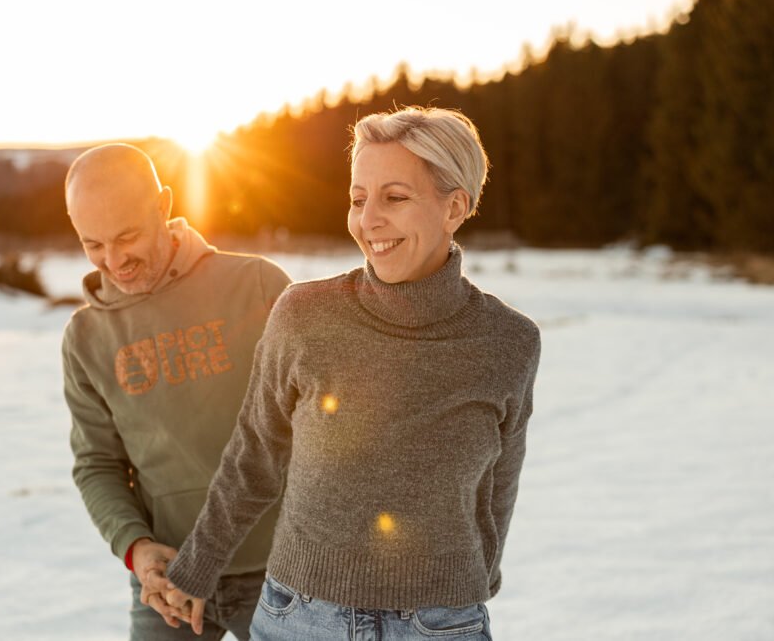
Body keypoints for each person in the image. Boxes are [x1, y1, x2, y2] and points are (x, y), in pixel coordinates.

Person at [161, 108, 541, 640]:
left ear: (455, 206)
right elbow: (255, 454)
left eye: (395, 197)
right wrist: (196, 569)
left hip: (440, 623)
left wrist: (472, 582)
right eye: (358, 199)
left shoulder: (508, 342)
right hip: (300, 618)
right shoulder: (303, 314)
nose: (369, 220)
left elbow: (499, 482)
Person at [61, 143, 291, 640]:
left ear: (163, 206)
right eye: (93, 244)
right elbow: (97, 463)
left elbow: (329, 426)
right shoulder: (86, 338)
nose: (114, 260)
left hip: (282, 572)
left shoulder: (256, 286)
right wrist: (137, 549)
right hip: (171, 579)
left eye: (127, 236)